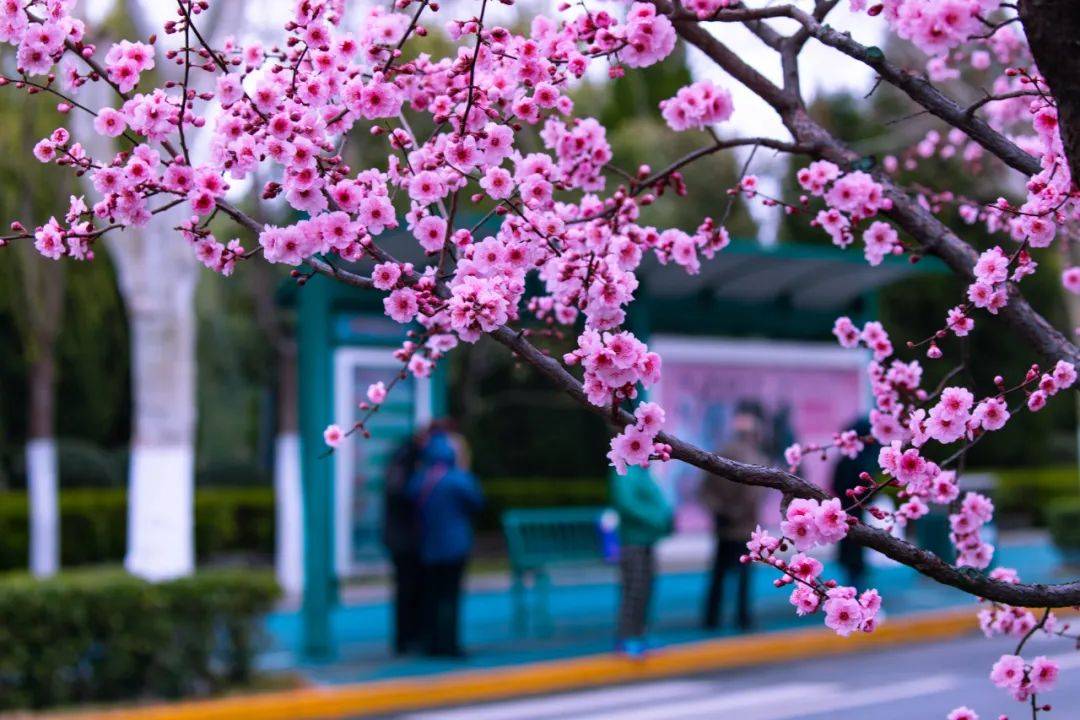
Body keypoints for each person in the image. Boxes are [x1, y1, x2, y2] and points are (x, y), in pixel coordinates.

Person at [408, 430, 483, 657]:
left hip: (429, 545)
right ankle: (450, 644)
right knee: (450, 596)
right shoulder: (458, 479)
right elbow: (477, 502)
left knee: (432, 595)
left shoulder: (421, 479)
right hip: (455, 545)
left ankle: (432, 643)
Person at [699, 402, 769, 632]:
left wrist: (721, 511)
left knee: (719, 574)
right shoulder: (755, 456)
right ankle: (743, 618)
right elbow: (754, 495)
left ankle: (711, 618)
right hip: (744, 527)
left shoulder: (720, 452)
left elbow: (705, 490)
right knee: (743, 576)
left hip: (724, 525)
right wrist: (738, 513)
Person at [611, 465, 674, 657]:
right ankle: (626, 637)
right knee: (634, 590)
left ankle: (640, 633)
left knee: (646, 589)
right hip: (633, 541)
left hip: (647, 539)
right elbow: (628, 504)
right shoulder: (626, 471)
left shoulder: (642, 471)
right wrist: (657, 518)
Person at [382, 429, 424, 655]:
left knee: (408, 591)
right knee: (407, 591)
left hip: (401, 540)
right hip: (405, 542)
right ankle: (406, 639)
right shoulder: (405, 466)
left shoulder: (398, 463)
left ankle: (408, 637)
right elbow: (402, 497)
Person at [832, 416, 876, 588]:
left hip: (846, 510)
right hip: (852, 511)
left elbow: (836, 484)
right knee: (855, 549)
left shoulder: (845, 458)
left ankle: (854, 582)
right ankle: (855, 585)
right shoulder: (864, 459)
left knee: (851, 550)